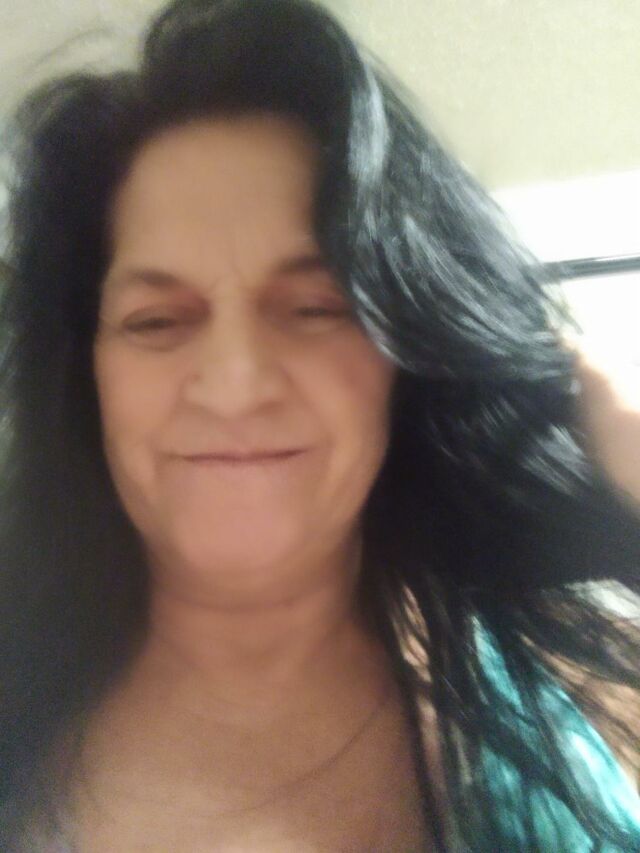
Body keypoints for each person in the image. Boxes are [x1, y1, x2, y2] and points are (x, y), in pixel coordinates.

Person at [0, 0, 638, 850]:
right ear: (87, 379)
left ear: (405, 356)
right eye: (156, 320)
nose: (235, 386)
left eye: (314, 307)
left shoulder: (546, 745)